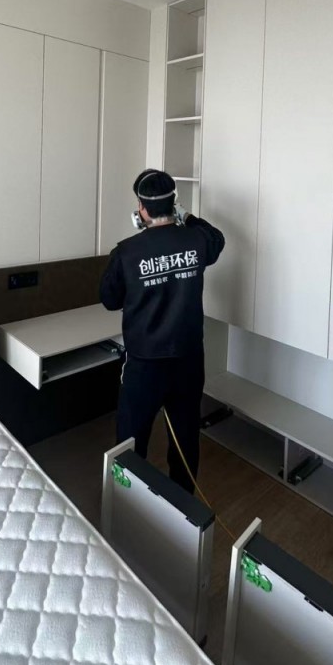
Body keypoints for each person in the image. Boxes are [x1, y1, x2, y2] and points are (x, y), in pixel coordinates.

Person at [99, 169, 225, 493]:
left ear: (141, 209)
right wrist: (188, 218)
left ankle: (125, 503)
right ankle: (183, 510)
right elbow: (217, 237)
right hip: (188, 362)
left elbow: (109, 300)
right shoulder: (196, 240)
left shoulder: (126, 252)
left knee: (130, 441)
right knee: (185, 440)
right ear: (174, 203)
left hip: (145, 364)